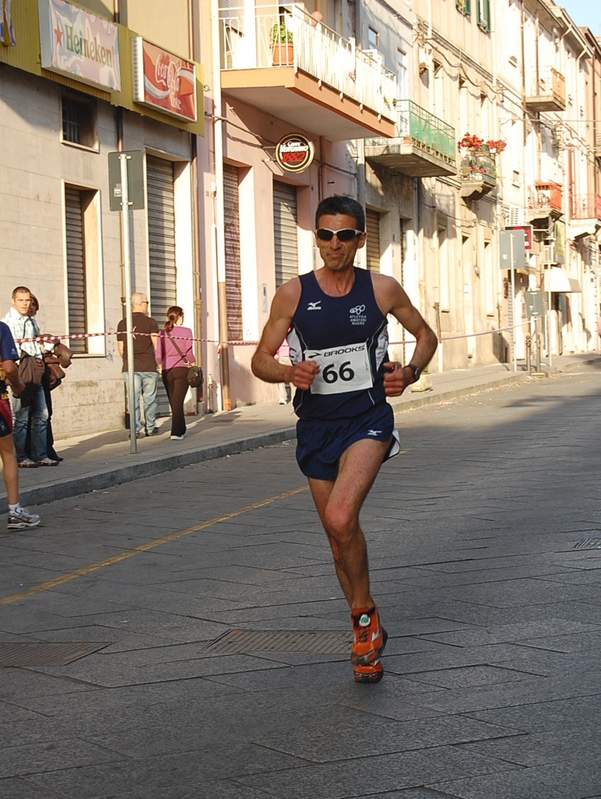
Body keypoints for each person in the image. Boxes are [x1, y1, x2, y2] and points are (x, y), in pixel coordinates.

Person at [251, 195, 438, 683]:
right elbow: (260, 359)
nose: (335, 244)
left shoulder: (381, 289)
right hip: (315, 427)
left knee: (340, 516)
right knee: (338, 540)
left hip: (367, 419)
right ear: (316, 238)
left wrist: (411, 372)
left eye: (345, 235)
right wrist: (289, 371)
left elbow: (425, 335)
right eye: (326, 235)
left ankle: (363, 618)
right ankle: (366, 623)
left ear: (360, 238)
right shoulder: (293, 294)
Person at [2, 286, 57, 468]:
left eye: (27, 300)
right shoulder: (8, 322)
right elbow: (10, 355)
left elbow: (34, 345)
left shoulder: (30, 322)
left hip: (36, 370)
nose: (25, 304)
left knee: (42, 414)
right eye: (21, 300)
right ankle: (20, 456)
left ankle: (40, 454)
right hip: (20, 372)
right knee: (21, 417)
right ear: (13, 301)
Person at [0, 321, 41, 529]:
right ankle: (15, 510)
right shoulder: (1, 328)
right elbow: (9, 367)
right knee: (8, 453)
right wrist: (17, 384)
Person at [117, 293, 159, 438]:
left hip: (130, 367)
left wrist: (129, 360)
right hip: (148, 366)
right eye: (146, 302)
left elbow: (121, 350)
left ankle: (134, 430)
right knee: (149, 398)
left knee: (132, 398)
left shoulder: (123, 323)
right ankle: (150, 427)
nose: (147, 305)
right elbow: (156, 344)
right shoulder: (151, 322)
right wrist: (158, 363)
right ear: (140, 304)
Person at [25, 296, 62, 462]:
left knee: (45, 413)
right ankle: (28, 452)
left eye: (33, 304)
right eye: (27, 303)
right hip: (27, 373)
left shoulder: (33, 324)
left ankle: (46, 449)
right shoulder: (17, 324)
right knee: (27, 415)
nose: (31, 307)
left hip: (41, 372)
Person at [155, 306, 195, 440]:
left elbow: (158, 354)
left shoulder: (162, 333)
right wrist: (193, 365)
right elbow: (189, 352)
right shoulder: (187, 332)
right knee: (177, 402)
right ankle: (176, 433)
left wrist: (160, 366)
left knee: (174, 401)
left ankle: (181, 427)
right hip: (181, 370)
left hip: (167, 371)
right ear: (180, 316)